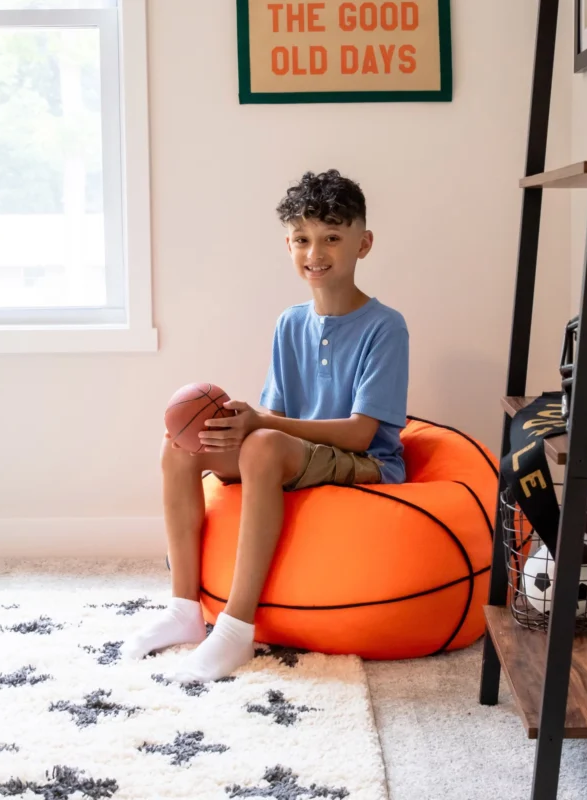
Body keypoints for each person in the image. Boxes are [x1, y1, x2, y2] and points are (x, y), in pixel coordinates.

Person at [124, 169, 410, 683]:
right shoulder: (290, 322)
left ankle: (236, 627)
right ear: (288, 245)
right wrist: (234, 422)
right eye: (302, 239)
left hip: (369, 463)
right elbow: (270, 416)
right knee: (180, 445)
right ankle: (184, 610)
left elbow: (363, 434)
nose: (314, 253)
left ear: (363, 244)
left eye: (331, 238)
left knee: (261, 448)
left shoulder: (385, 326)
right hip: (289, 449)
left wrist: (260, 428)